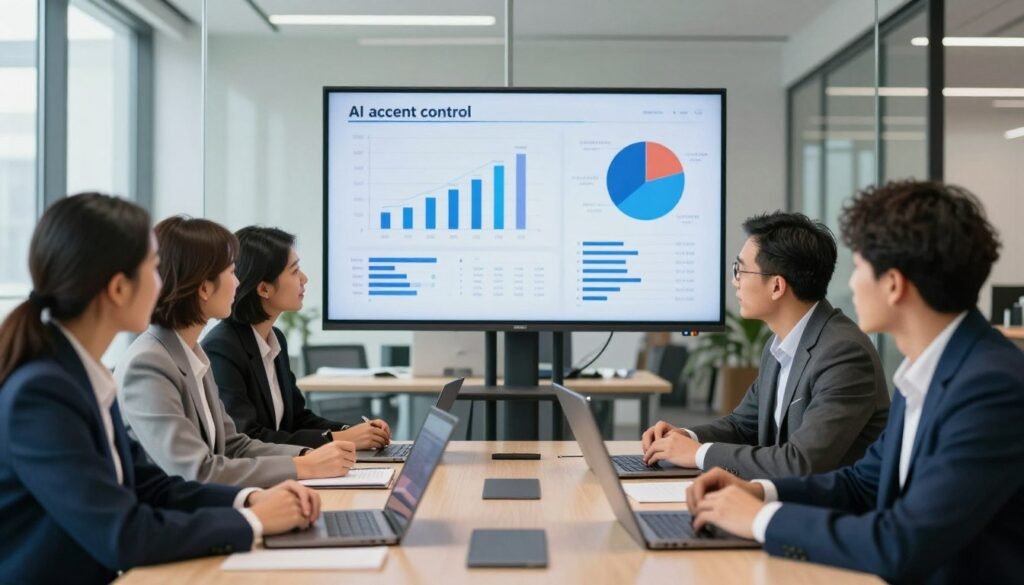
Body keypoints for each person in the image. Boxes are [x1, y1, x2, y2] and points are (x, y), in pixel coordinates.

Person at [686, 181, 1024, 584]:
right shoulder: (929, 370)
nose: (850, 284)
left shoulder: (990, 389)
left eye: (860, 268)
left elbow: (901, 542)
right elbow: (863, 483)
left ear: (894, 284)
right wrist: (761, 492)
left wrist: (762, 519)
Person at [0, 194, 320, 584]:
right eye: (153, 268)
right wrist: (251, 521)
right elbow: (123, 534)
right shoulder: (43, 395)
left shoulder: (80, 375)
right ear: (119, 288)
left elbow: (148, 486)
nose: (164, 280)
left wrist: (249, 498)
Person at [642, 211, 890, 478]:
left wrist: (697, 454)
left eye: (740, 270)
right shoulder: (779, 345)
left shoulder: (843, 353)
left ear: (776, 286)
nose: (734, 281)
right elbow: (742, 426)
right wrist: (685, 437)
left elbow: (800, 463)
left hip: (830, 513)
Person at [115, 216, 356, 488]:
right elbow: (196, 470)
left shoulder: (191, 353)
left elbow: (233, 445)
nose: (239, 283)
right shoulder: (149, 363)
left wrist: (307, 455)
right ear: (204, 288)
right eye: (231, 272)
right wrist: (301, 466)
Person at [203, 226, 391, 450]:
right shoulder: (222, 348)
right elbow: (248, 437)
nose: (304, 279)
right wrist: (339, 440)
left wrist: (351, 431)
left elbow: (297, 420)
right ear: (264, 288)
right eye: (294, 271)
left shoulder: (274, 339)